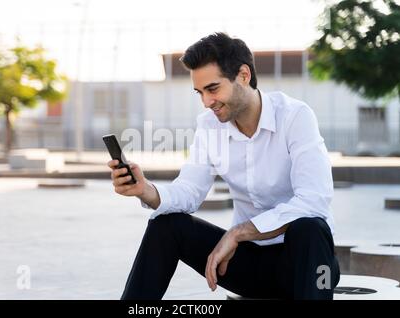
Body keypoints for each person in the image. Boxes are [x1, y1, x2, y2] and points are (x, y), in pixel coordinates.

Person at [107, 32, 340, 300]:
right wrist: (145, 190)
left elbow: (314, 200)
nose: (207, 102)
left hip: (308, 267)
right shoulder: (209, 126)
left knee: (310, 227)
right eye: (200, 92)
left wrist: (238, 232)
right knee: (165, 224)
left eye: (213, 88)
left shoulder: (295, 116)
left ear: (243, 75)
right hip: (248, 264)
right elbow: (189, 191)